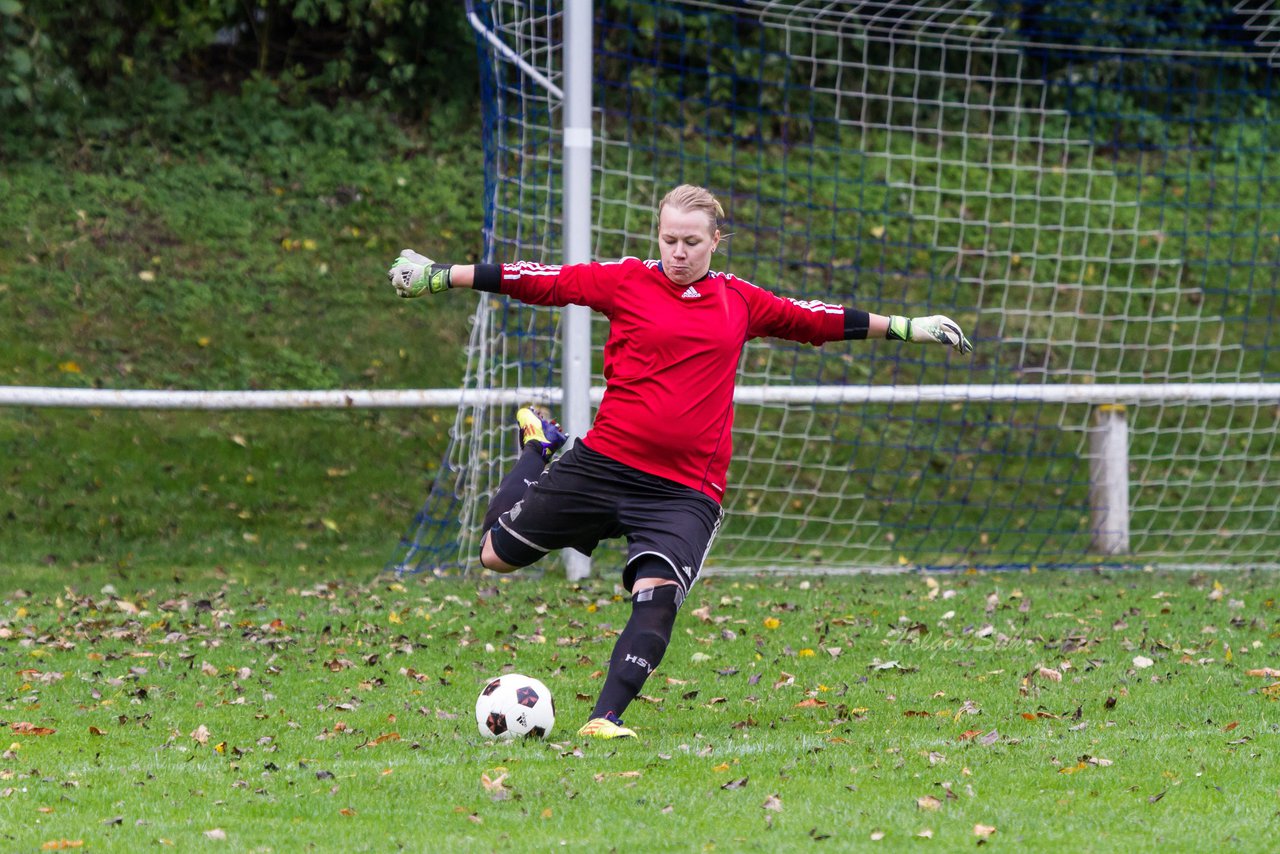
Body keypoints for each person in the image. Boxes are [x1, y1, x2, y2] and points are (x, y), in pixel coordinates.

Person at [388, 184, 973, 740]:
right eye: (669, 239)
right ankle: (541, 448)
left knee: (658, 592)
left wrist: (904, 327)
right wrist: (442, 277)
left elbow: (812, 319)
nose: (678, 252)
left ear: (716, 240)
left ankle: (605, 718)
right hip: (604, 463)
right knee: (495, 557)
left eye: (692, 242)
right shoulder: (626, 281)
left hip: (683, 491)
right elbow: (536, 280)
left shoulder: (738, 299)